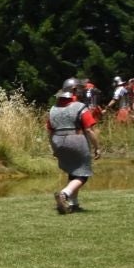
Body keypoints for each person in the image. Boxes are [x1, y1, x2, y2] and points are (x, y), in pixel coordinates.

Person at [46, 84, 101, 214]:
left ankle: (73, 203)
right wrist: (97, 148)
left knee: (73, 171)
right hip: (76, 141)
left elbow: (49, 132)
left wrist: (54, 148)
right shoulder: (80, 107)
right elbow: (88, 130)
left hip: (58, 142)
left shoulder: (53, 109)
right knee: (83, 174)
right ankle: (65, 194)